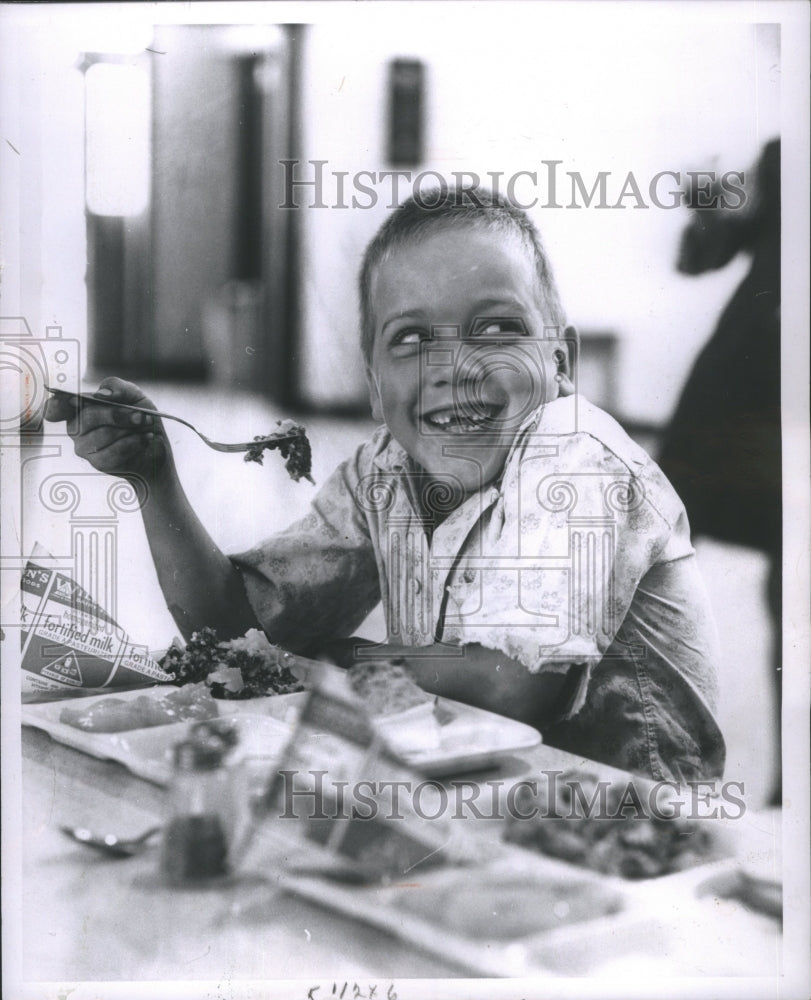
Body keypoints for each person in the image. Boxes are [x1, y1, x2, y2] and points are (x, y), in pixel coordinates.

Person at [46, 187, 725, 784]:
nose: (453, 365)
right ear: (372, 387)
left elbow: (506, 685)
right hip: (480, 796)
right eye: (409, 338)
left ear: (561, 361)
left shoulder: (577, 457)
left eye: (496, 327)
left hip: (635, 824)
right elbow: (236, 633)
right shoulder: (383, 474)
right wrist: (153, 479)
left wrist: (343, 655)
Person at [659, 139, 781, 802]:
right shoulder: (783, 154)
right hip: (733, 397)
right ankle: (624, 752)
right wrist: (705, 202)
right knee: (646, 559)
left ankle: (794, 805)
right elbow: (699, 256)